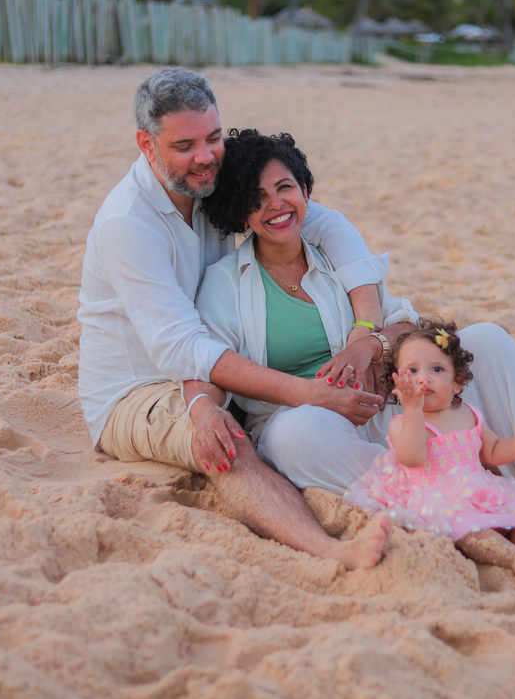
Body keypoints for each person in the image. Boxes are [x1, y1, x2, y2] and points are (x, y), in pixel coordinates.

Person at [197, 128, 515, 544]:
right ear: (241, 211)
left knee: (487, 339)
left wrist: (371, 346)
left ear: (305, 190)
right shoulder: (225, 284)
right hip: (308, 421)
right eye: (257, 198)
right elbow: (213, 366)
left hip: (395, 407)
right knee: (295, 440)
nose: (276, 205)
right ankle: (474, 496)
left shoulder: (336, 257)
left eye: (284, 187)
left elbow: (406, 325)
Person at [77, 67, 394, 570]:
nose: (204, 157)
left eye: (212, 137)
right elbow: (179, 349)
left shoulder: (208, 179)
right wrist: (304, 392)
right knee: (225, 442)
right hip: (140, 388)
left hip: (219, 357)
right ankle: (331, 549)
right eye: (184, 145)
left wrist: (365, 329)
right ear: (147, 143)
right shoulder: (127, 223)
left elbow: (319, 217)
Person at [344, 321, 515, 579]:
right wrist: (412, 410)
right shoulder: (402, 423)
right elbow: (412, 458)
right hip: (435, 501)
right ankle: (510, 555)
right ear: (398, 385)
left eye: (437, 369)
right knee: (466, 526)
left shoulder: (469, 414)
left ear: (457, 382)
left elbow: (494, 451)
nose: (424, 378)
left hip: (479, 491)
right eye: (412, 370)